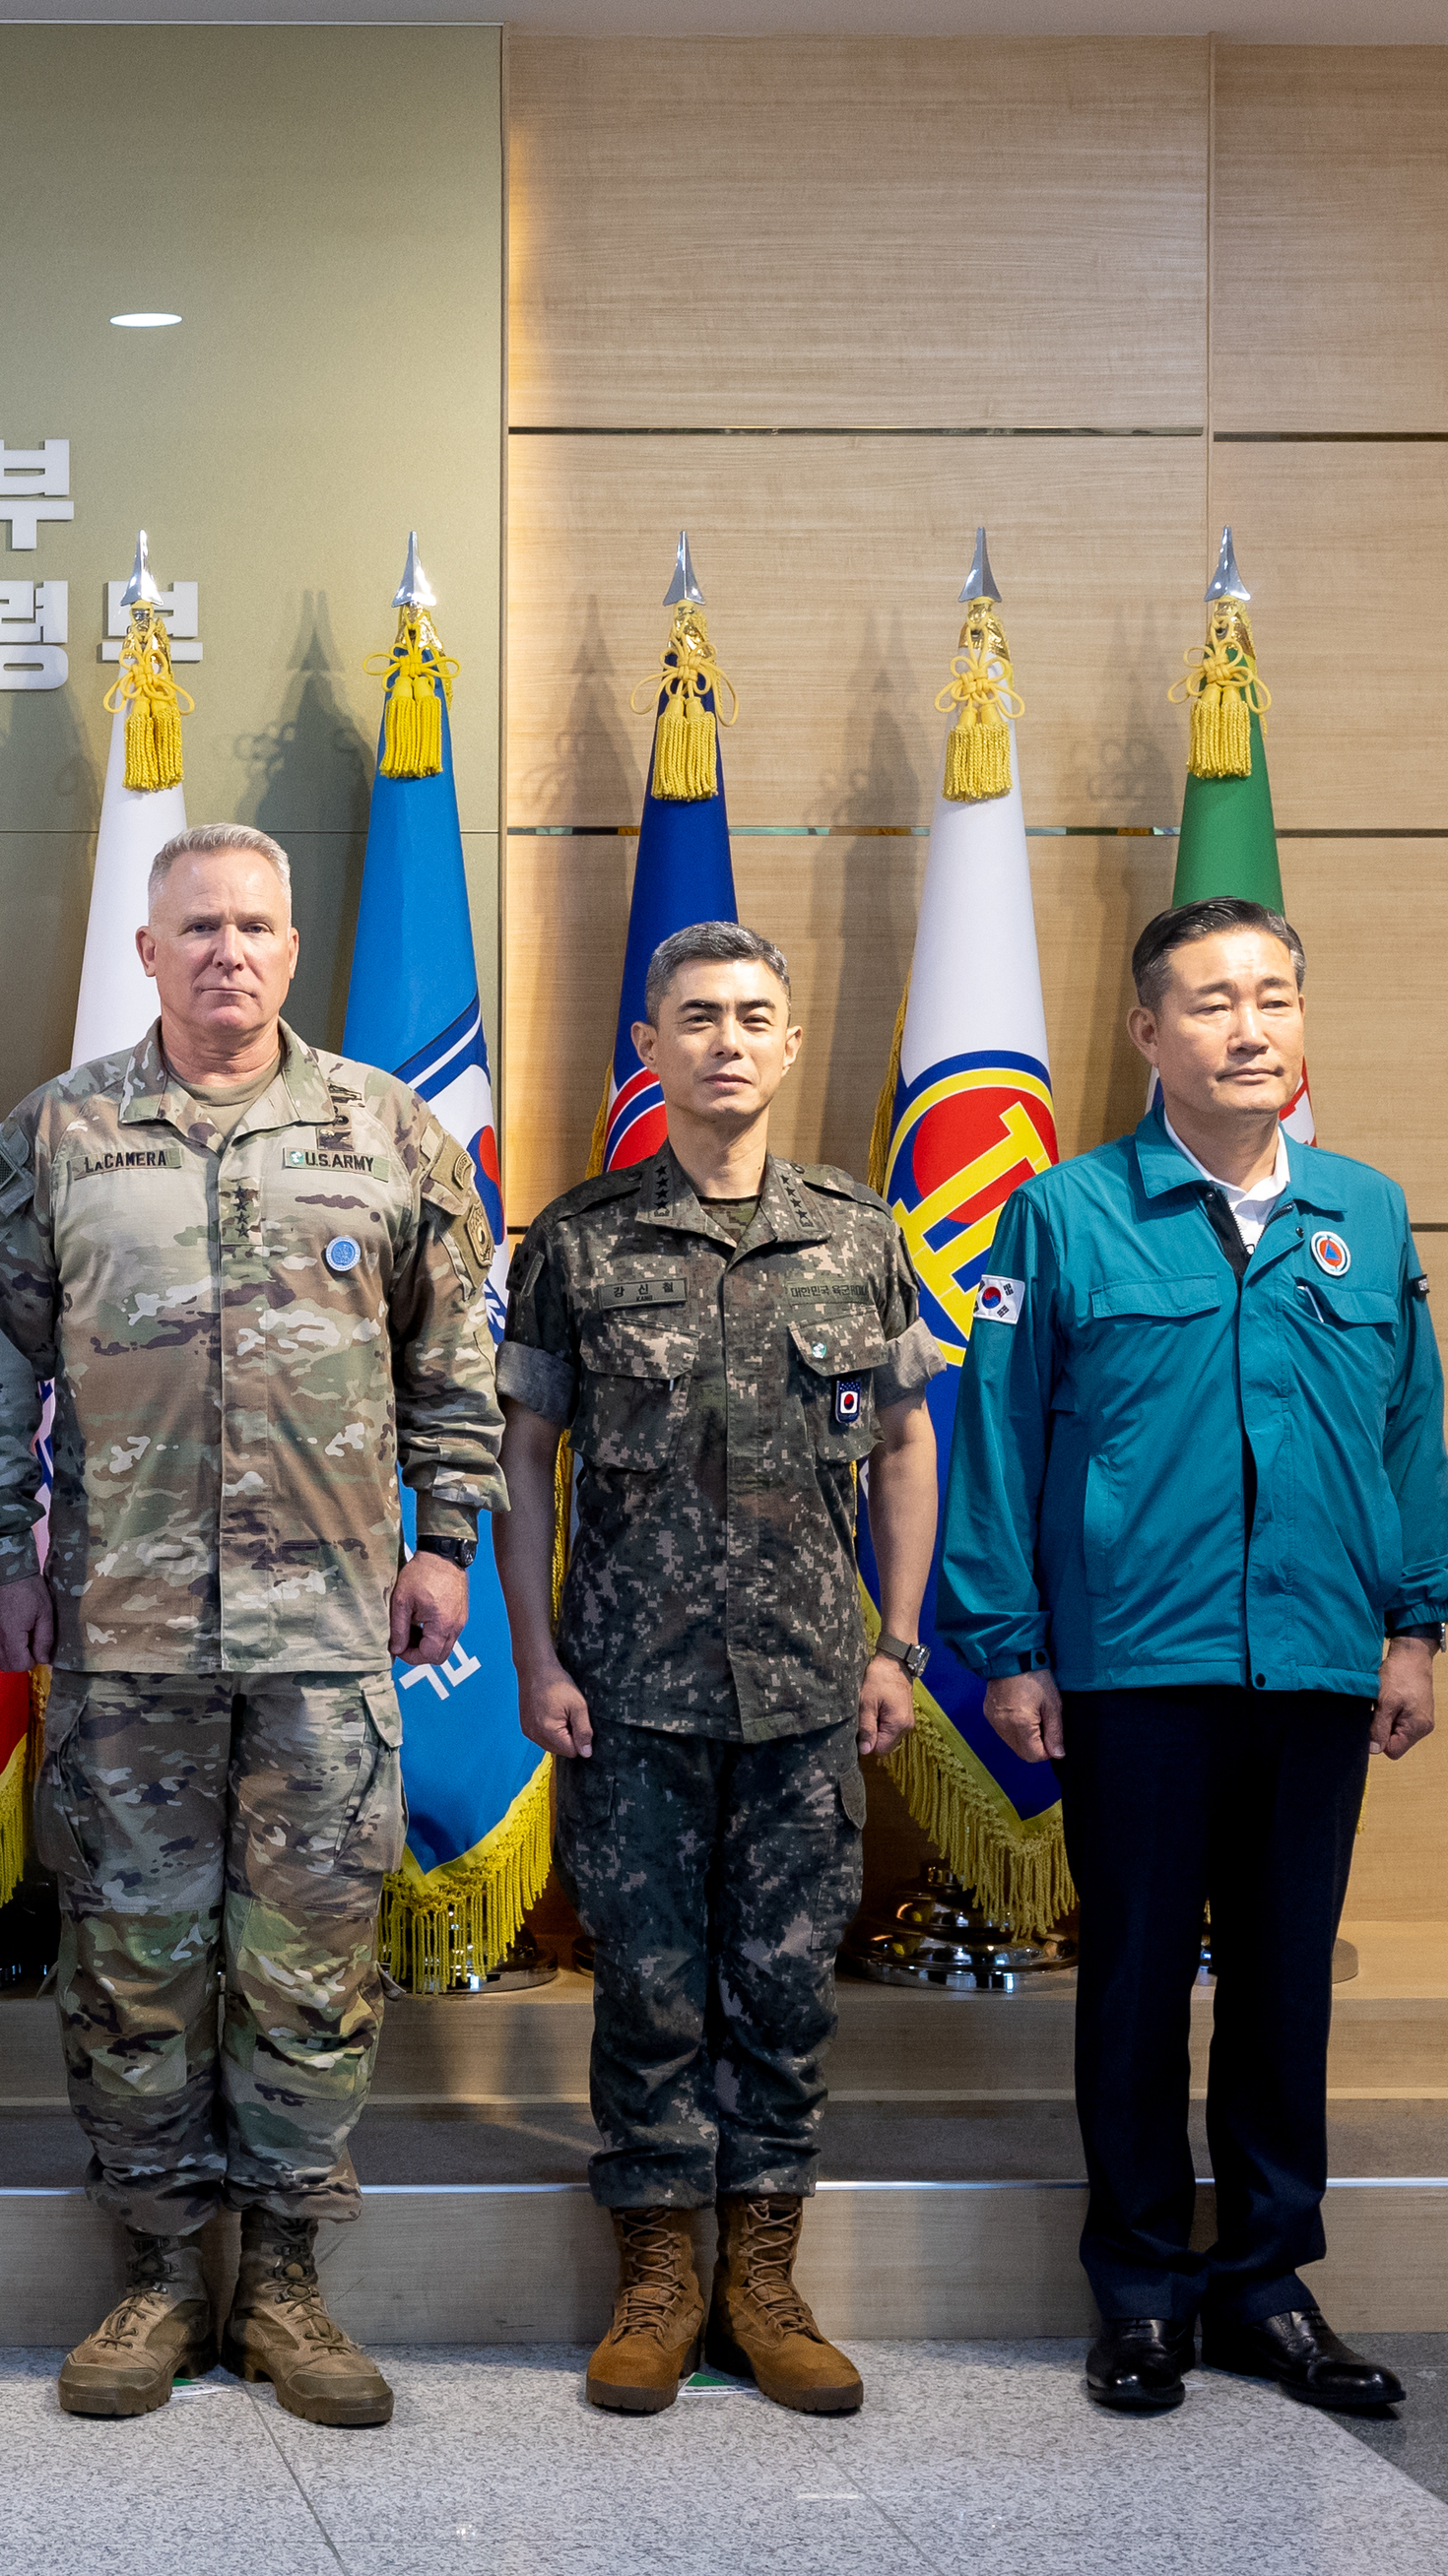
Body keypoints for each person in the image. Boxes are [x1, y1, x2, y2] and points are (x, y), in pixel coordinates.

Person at [0, 822, 500, 2429]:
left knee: (311, 1964)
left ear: (294, 946)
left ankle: (288, 2283)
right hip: (122, 1637)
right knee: (131, 1959)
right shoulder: (55, 1138)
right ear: (147, 952)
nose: (227, 954)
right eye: (197, 929)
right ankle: (155, 2270)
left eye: (255, 925)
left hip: (329, 1640)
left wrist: (446, 1537)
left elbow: (453, 1361)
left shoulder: (387, 1133)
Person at [939, 896, 1448, 2418]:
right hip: (1132, 1667)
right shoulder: (1066, 1217)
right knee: (1141, 1979)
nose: (1251, 1028)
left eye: (1277, 999)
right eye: (1215, 1002)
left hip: (1314, 1662)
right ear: (1146, 1032)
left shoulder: (1364, 1212)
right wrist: (1009, 1650)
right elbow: (1000, 1448)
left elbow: (1407, 1430)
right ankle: (1144, 2287)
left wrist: (1413, 1622)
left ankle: (1267, 2285)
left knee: (1288, 1980)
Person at [492, 922, 944, 2416]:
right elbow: (523, 1459)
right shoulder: (578, 1240)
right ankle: (657, 2279)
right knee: (648, 1987)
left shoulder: (862, 1237)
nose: (727, 1041)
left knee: (787, 1986)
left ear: (794, 1042)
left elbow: (906, 1445)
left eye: (755, 1016)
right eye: (696, 1018)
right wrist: (537, 1658)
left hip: (815, 1687)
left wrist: (899, 1641)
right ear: (651, 1048)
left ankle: (762, 2274)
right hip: (631, 1693)